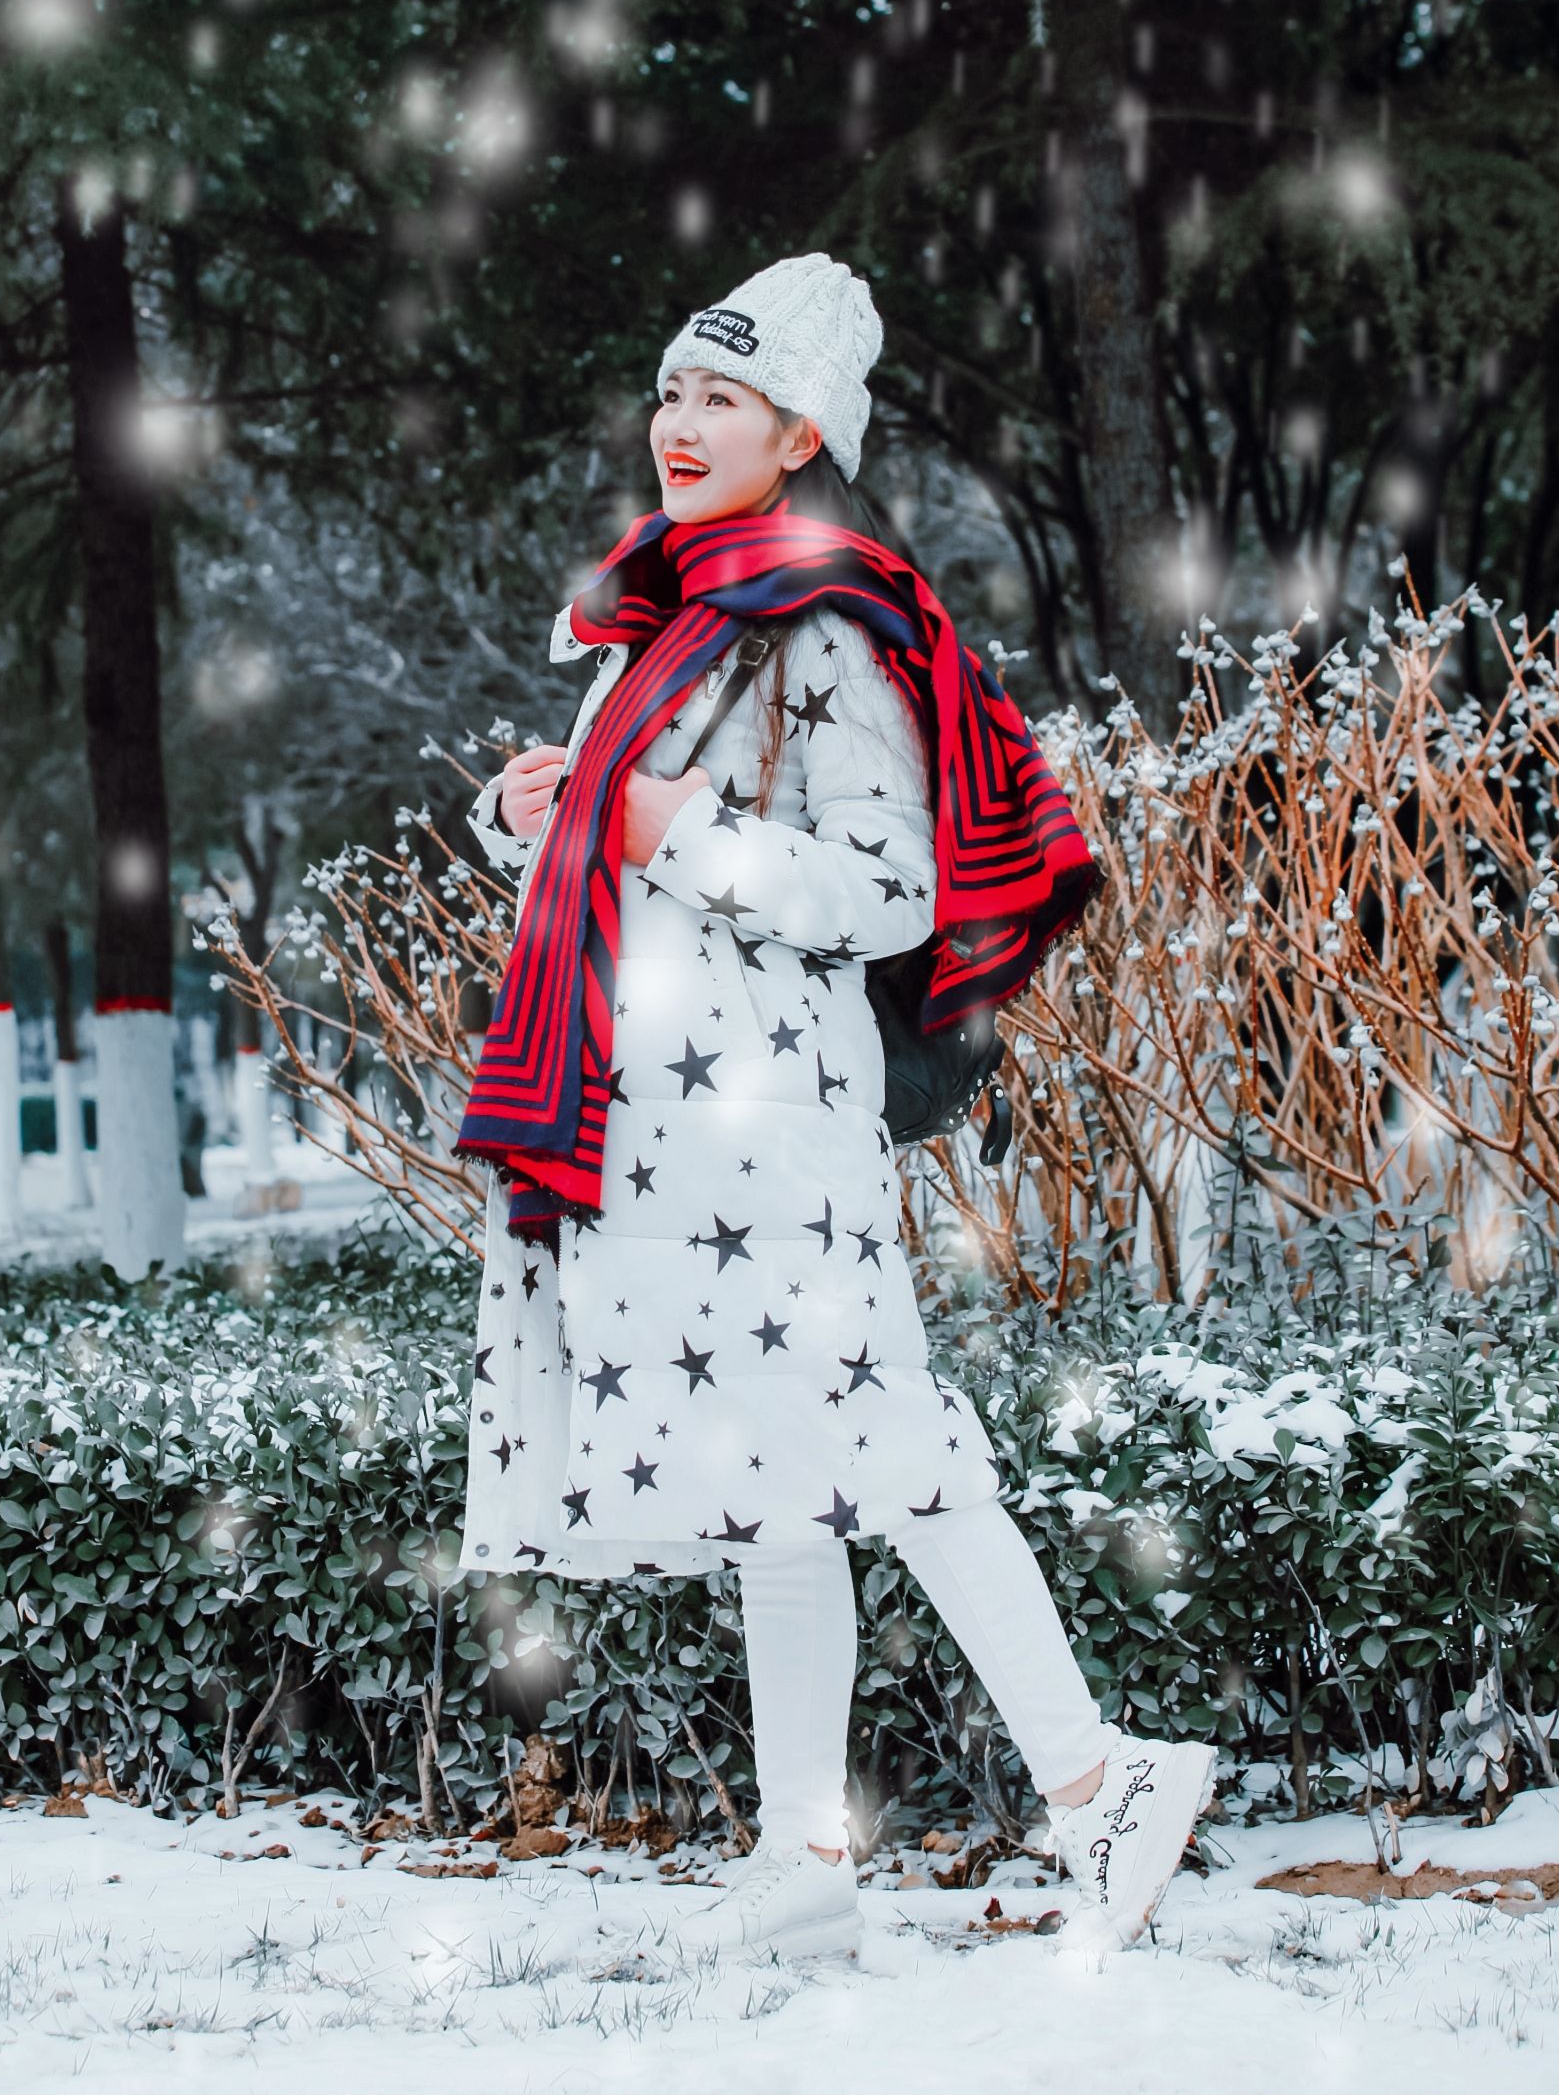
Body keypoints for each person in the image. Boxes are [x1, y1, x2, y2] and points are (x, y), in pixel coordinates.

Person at [457, 252, 1213, 1962]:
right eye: (671, 390)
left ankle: (1101, 1786)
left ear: (801, 430)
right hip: (660, 1121)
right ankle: (808, 1866)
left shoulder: (826, 619)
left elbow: (887, 886)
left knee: (894, 1450)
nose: (680, 421)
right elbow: (625, 833)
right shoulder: (671, 617)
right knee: (769, 1487)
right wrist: (546, 812)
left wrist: (657, 825)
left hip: (770, 1130)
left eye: (722, 396)